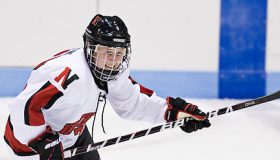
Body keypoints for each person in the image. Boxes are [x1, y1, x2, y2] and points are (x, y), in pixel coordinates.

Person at [4, 14, 211, 160]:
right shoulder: (66, 75)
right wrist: (41, 143)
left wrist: (172, 113)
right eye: (107, 52)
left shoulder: (112, 71)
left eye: (119, 53)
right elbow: (24, 108)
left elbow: (131, 102)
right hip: (34, 148)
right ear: (90, 48)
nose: (113, 60)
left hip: (73, 137)